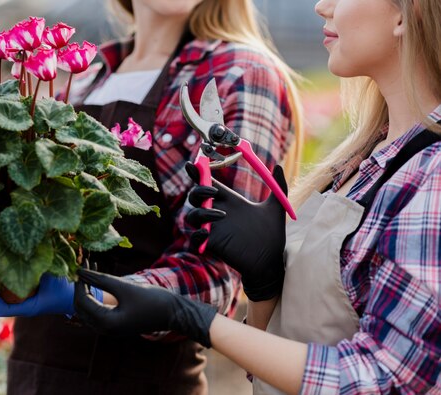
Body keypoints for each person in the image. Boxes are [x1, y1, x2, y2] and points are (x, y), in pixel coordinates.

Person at [73, 0, 441, 394]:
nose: (321, 6)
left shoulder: (431, 174)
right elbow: (276, 366)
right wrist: (265, 287)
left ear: (409, 10)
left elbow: (388, 381)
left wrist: (194, 319)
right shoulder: (359, 161)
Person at [0, 0, 303, 393]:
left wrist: (93, 295)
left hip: (140, 375)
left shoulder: (238, 71)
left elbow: (220, 271)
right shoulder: (85, 69)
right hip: (35, 365)